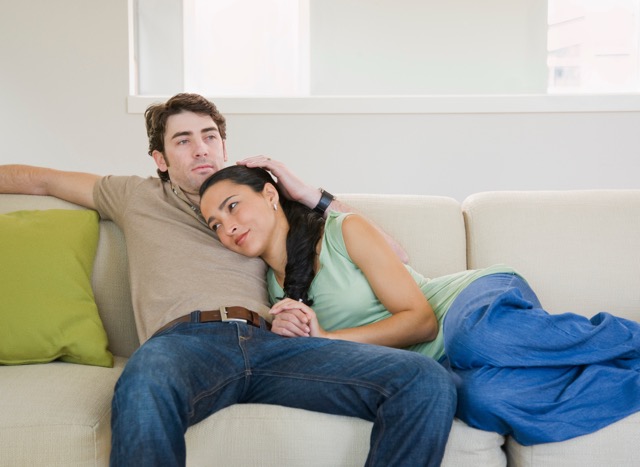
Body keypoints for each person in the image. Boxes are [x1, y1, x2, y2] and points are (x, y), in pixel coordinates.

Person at [0, 93, 456, 467]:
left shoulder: (260, 201)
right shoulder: (134, 195)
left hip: (274, 343)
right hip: (184, 344)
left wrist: (302, 191)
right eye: (182, 140)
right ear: (160, 158)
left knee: (425, 380)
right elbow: (41, 181)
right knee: (144, 385)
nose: (200, 148)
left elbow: (393, 254)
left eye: (209, 136)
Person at [198, 164, 640, 446]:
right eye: (216, 223)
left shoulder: (341, 231)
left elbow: (422, 323)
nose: (228, 226)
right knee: (482, 401)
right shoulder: (275, 300)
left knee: (472, 338)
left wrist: (327, 338)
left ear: (271, 196)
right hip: (443, 367)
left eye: (233, 206)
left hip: (468, 305)